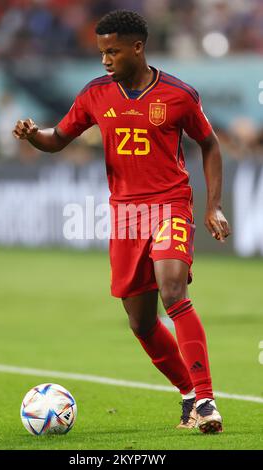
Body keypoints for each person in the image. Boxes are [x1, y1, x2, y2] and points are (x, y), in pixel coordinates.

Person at [12, 9, 231, 434]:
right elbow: (58, 139)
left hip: (169, 204)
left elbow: (210, 143)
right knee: (141, 322)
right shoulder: (96, 94)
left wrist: (213, 206)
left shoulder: (179, 95)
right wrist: (33, 134)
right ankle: (188, 396)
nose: (105, 60)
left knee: (173, 288)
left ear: (137, 47)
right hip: (126, 214)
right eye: (101, 52)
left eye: (112, 51)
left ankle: (206, 400)